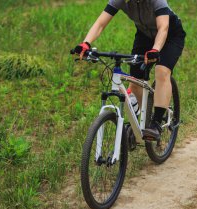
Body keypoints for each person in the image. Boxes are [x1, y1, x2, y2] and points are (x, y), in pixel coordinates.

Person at [74, 0, 186, 141]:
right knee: (135, 80)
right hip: (144, 36)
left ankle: (156, 122)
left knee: (162, 71)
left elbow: (163, 27)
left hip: (171, 35)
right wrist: (86, 43)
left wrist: (155, 49)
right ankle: (143, 118)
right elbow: (100, 23)